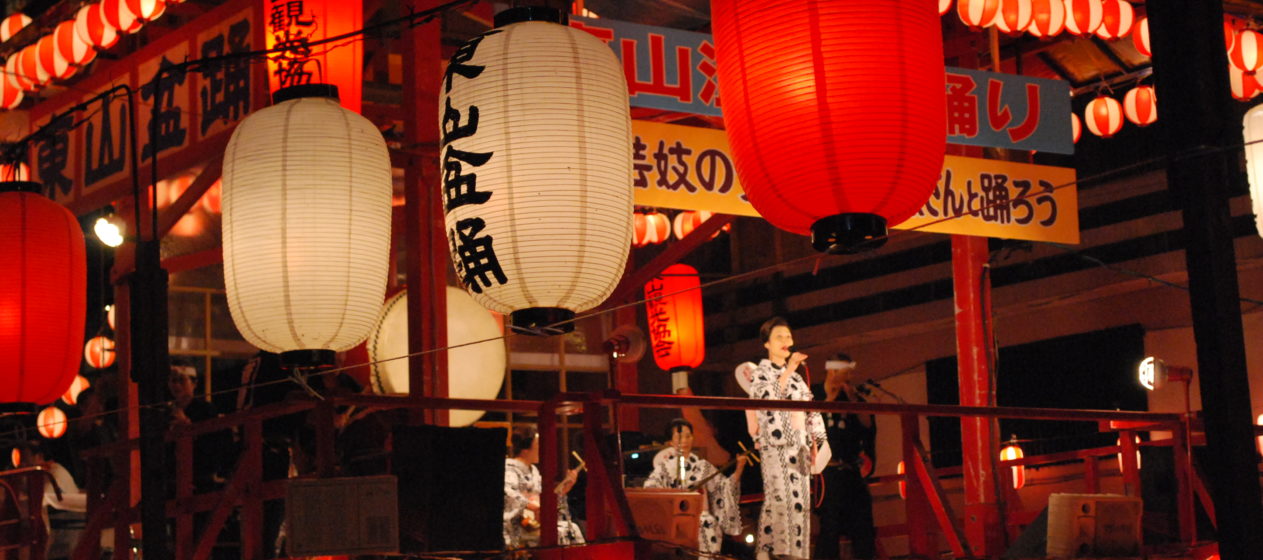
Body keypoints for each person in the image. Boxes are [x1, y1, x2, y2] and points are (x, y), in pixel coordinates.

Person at [749, 317, 827, 560]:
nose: (786, 341)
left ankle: (794, 554)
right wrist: (790, 368)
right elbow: (767, 400)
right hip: (776, 446)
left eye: (788, 337)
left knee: (800, 502)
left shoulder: (797, 379)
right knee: (780, 499)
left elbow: (810, 409)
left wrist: (820, 442)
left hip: (800, 445)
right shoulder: (759, 373)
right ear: (767, 344)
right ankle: (779, 553)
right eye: (779, 337)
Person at [644, 419, 747, 555]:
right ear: (671, 442)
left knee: (708, 524)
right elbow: (650, 487)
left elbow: (723, 487)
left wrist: (739, 468)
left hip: (701, 519)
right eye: (679, 437)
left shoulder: (702, 466)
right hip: (674, 520)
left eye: (688, 436)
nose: (685, 441)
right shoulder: (664, 467)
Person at [811, 354, 877, 560]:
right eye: (844, 373)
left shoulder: (853, 397)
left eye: (850, 373)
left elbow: (868, 427)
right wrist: (829, 399)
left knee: (863, 524)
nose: (848, 377)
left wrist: (853, 400)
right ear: (832, 371)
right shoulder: (814, 395)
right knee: (830, 527)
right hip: (827, 473)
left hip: (850, 468)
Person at [503, 426, 584, 549]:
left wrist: (564, 488)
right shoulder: (509, 469)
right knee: (560, 533)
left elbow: (544, 497)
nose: (541, 449)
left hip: (535, 522)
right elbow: (508, 493)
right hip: (517, 525)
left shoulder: (534, 470)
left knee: (571, 528)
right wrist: (531, 504)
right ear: (525, 449)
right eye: (537, 445)